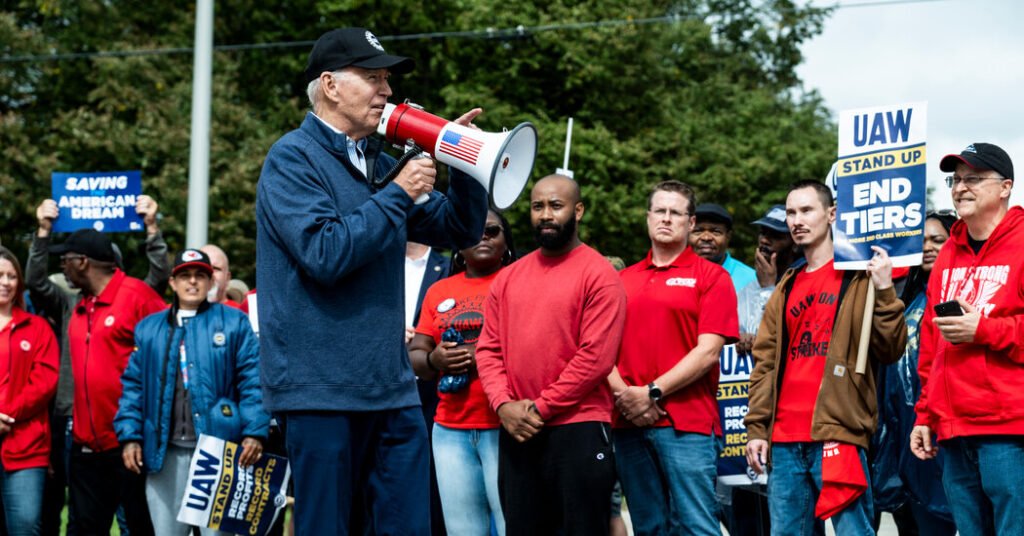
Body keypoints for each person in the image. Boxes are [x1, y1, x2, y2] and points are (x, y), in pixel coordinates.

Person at [255, 27, 488, 535]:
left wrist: (464, 161)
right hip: (321, 391)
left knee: (407, 526)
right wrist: (399, 194)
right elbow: (325, 253)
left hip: (390, 387)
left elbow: (459, 229)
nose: (386, 90)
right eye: (373, 77)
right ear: (331, 86)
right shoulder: (291, 158)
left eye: (387, 78)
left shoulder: (380, 163)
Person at [744, 180, 907, 535]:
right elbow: (765, 363)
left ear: (832, 214)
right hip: (784, 440)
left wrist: (884, 290)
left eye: (807, 210)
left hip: (839, 430)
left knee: (853, 531)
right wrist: (758, 427)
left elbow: (891, 348)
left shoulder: (860, 276)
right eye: (790, 212)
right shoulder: (787, 283)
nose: (796, 220)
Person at [476, 175, 627, 536]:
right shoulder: (509, 277)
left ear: (578, 211)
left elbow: (595, 359)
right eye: (537, 206)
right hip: (518, 430)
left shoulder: (600, 274)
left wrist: (539, 409)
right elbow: (488, 348)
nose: (545, 215)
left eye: (555, 206)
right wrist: (502, 404)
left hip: (578, 428)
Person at [28, 195, 170, 536]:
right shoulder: (76, 304)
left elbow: (161, 363)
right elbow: (35, 281)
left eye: (65, 260)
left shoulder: (136, 296)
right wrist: (43, 231)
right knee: (82, 529)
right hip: (85, 447)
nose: (61, 266)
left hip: (129, 445)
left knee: (138, 527)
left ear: (82, 262)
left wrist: (152, 228)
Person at [609, 181, 738, 535]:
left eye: (675, 213)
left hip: (687, 425)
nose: (666, 219)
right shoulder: (621, 280)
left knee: (697, 526)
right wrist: (627, 398)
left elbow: (709, 351)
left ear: (690, 223)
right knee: (648, 527)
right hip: (629, 423)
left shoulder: (712, 277)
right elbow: (599, 349)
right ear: (648, 217)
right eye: (660, 211)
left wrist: (650, 392)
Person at [910, 142, 1024, 535]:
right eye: (955, 180)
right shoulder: (947, 254)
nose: (960, 188)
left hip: (1009, 430)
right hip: (955, 429)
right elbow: (931, 344)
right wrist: (925, 415)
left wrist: (985, 330)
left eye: (973, 179)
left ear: (1005, 187)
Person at [115, 248, 269, 535]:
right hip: (165, 454)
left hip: (219, 452)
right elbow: (133, 387)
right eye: (185, 275)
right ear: (172, 282)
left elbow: (252, 381)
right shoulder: (149, 329)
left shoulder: (234, 323)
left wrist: (254, 432)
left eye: (201, 275)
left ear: (211, 282)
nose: (193, 282)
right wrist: (130, 437)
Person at [409, 210, 517, 535]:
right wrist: (435, 361)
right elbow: (416, 353)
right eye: (473, 230)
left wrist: (476, 354)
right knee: (462, 530)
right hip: (450, 430)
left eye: (492, 231)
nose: (483, 237)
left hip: (505, 426)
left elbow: (533, 347)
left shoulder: (519, 282)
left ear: (505, 242)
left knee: (510, 525)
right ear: (458, 244)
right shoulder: (439, 290)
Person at [870, 212, 958, 535]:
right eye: (921, 241)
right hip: (902, 432)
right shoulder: (906, 299)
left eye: (937, 239)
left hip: (941, 435)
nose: (928, 247)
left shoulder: (957, 297)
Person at [727, 204, 801, 536]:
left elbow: (782, 342)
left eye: (776, 235)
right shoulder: (745, 292)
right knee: (747, 518)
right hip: (749, 419)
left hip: (789, 423)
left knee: (790, 518)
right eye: (762, 233)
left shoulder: (802, 281)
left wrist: (771, 286)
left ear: (795, 242)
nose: (765, 241)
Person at [0, 247, 59, 536]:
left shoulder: (37, 328)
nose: (6, 282)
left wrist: (6, 415)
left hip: (26, 446)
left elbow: (44, 382)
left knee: (25, 526)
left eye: (12, 276)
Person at [405, 240, 451, 536]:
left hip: (433, 395)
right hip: (381, 392)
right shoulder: (373, 263)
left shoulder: (447, 267)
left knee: (437, 494)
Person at [692, 203, 757, 293]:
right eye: (698, 231)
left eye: (715, 232)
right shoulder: (675, 275)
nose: (706, 237)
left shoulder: (751, 279)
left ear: (728, 236)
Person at [199, 244, 243, 310]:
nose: (210, 273)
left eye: (215, 268)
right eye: (202, 268)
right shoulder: (180, 312)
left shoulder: (241, 314)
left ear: (227, 278)